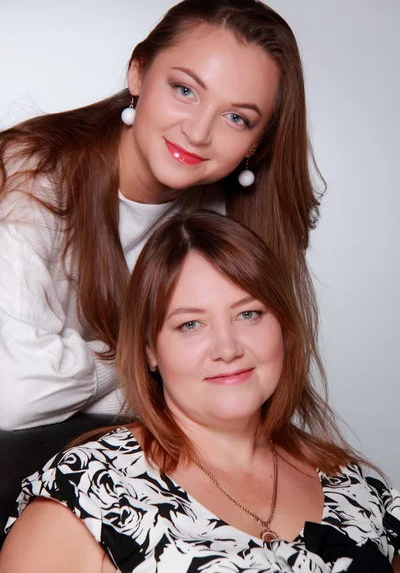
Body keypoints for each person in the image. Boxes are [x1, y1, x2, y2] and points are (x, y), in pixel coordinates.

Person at [1, 211, 399, 573]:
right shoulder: (87, 495)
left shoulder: (357, 485)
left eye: (249, 314)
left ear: (283, 326)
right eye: (191, 324)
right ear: (150, 350)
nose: (228, 348)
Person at [0, 0, 323, 431]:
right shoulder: (27, 175)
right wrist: (140, 356)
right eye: (185, 90)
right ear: (139, 73)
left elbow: (236, 387)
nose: (197, 132)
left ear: (258, 142)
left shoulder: (230, 216)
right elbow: (16, 393)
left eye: (236, 118)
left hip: (132, 446)